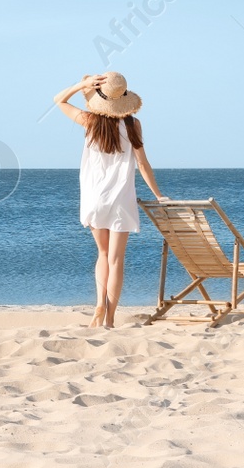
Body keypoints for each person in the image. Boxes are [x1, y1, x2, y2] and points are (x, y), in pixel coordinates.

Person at [54, 71, 166, 328]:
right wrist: (159, 195)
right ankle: (111, 318)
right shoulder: (132, 125)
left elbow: (58, 100)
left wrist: (80, 85)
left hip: (94, 196)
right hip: (121, 199)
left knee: (102, 254)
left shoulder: (89, 121)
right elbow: (143, 164)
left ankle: (98, 307)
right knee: (116, 259)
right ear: (124, 98)